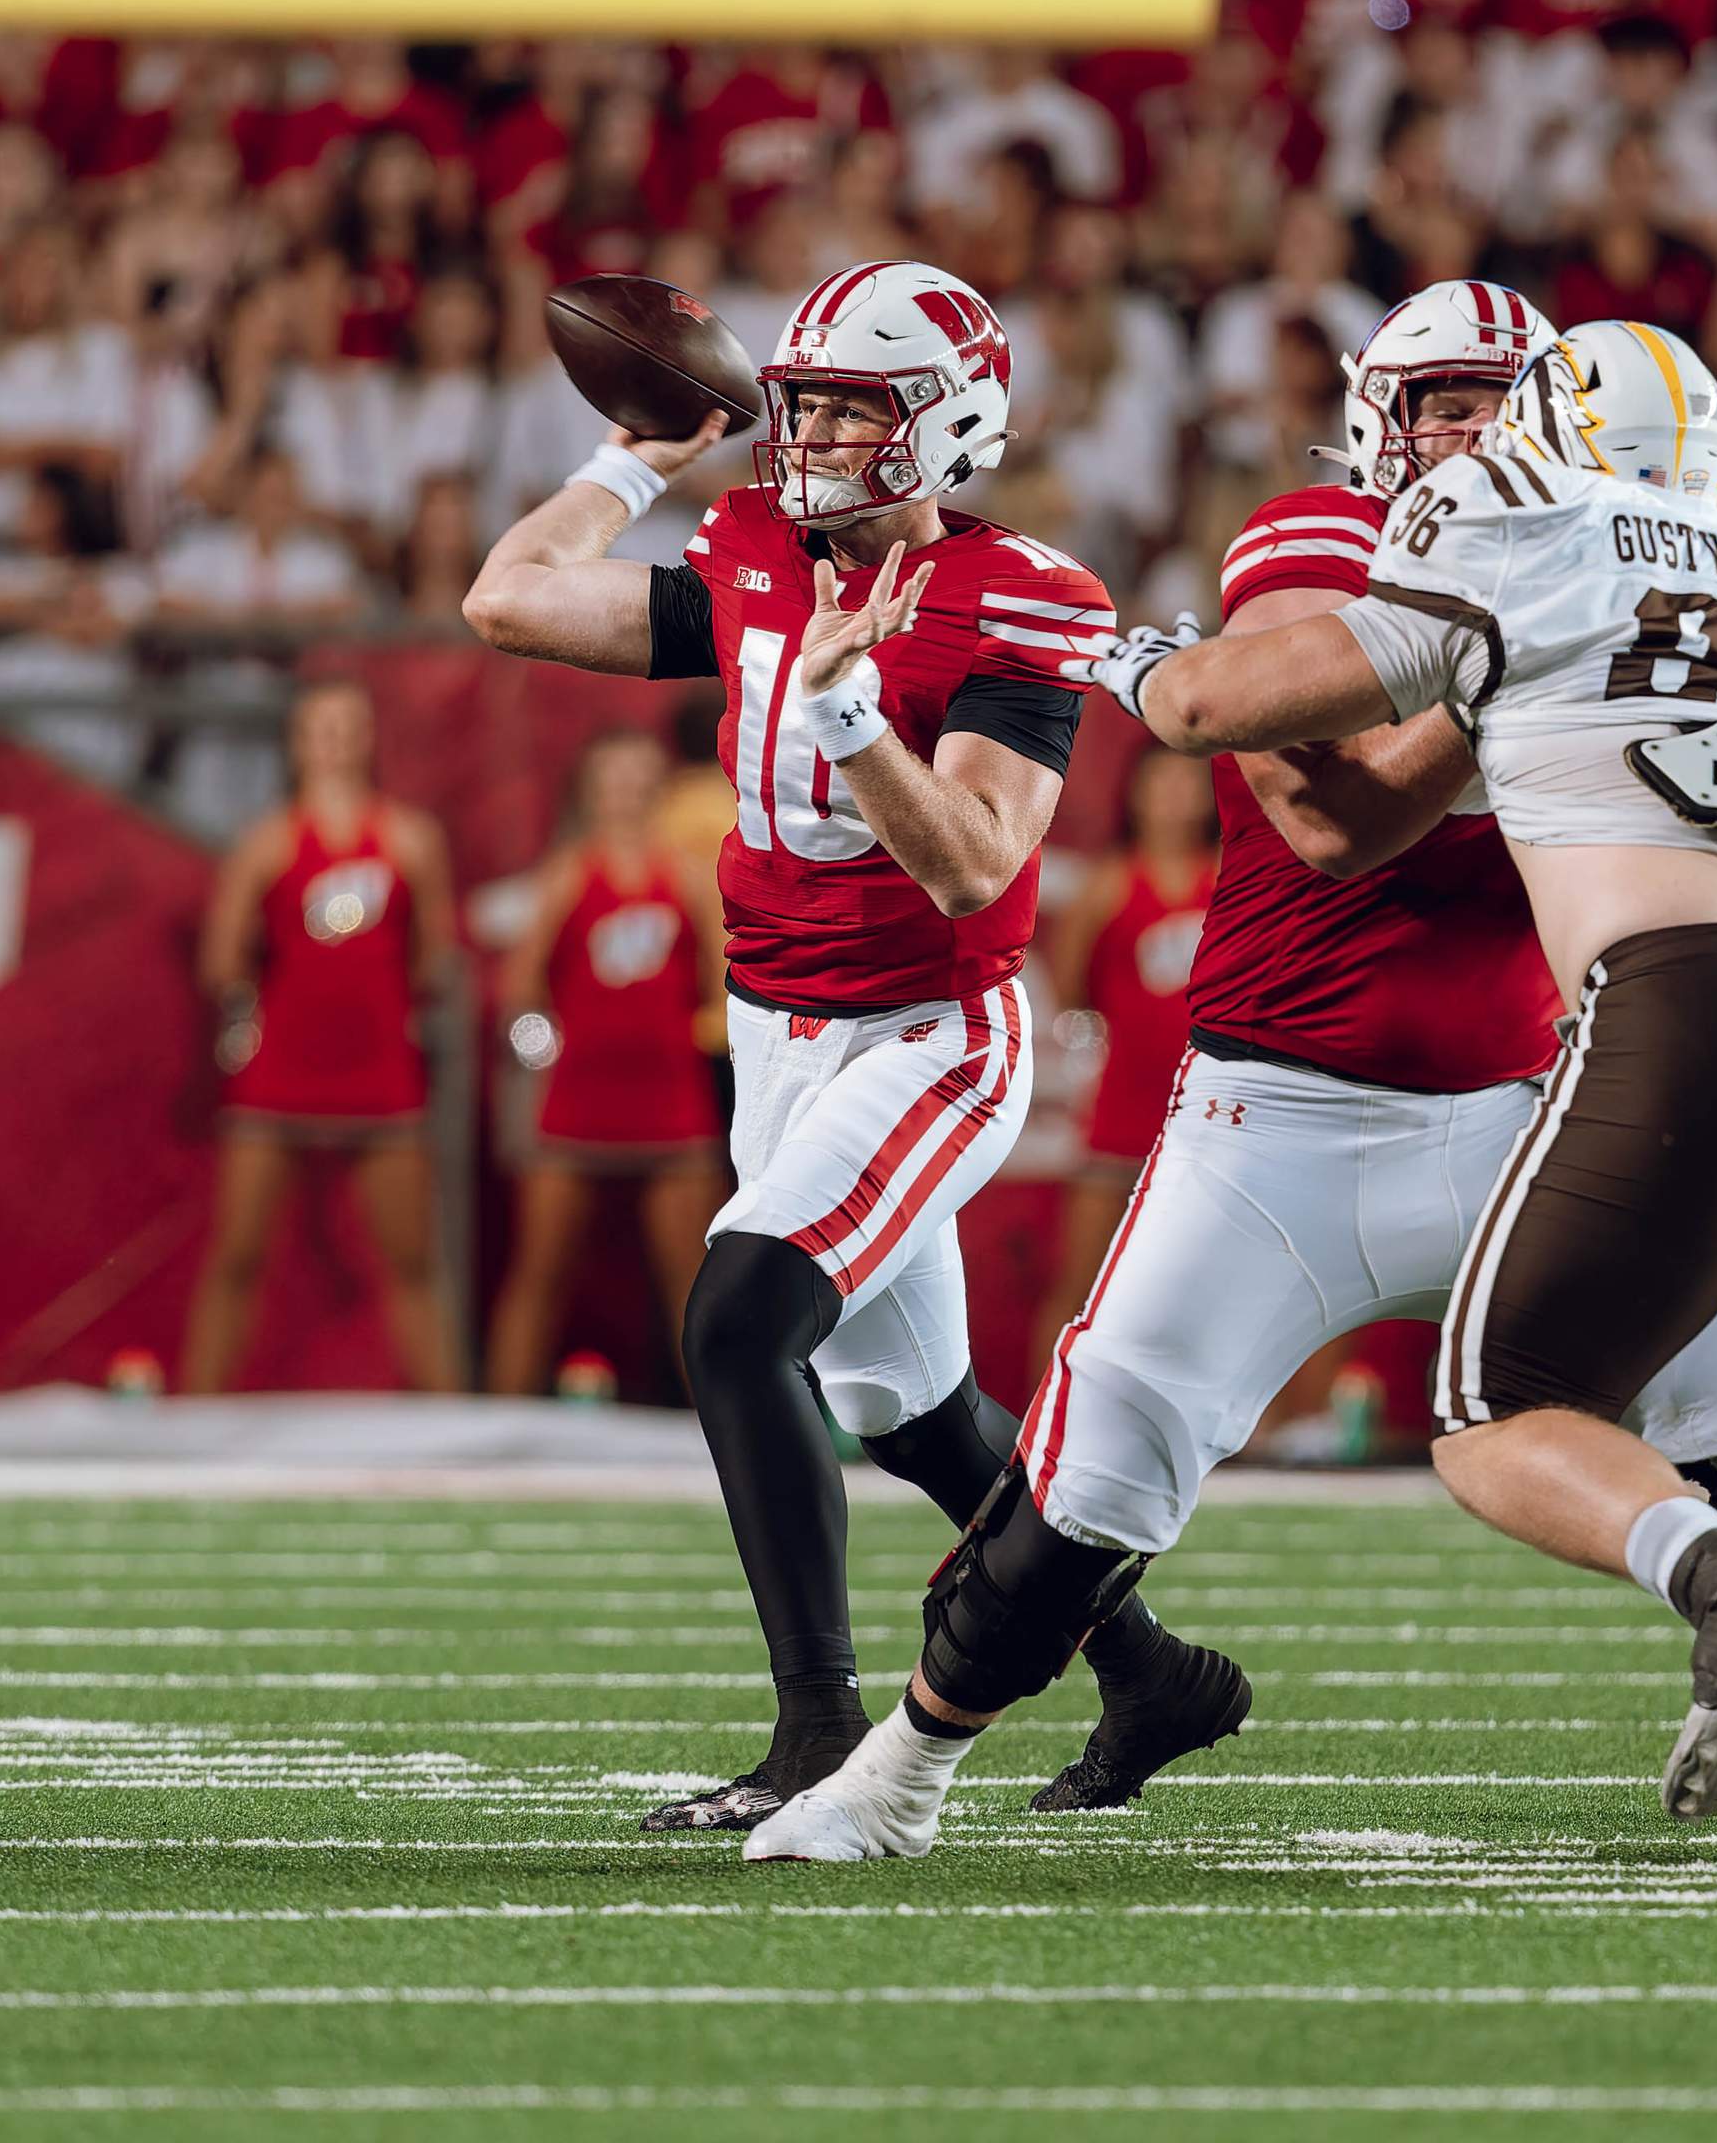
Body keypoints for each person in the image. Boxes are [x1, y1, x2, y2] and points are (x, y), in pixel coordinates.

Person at [742, 294, 1717, 1862]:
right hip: (1284, 1119)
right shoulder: (1336, 528)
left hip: (1543, 1091)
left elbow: (1264, 713)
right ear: (1376, 414)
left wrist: (1493, 656)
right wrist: (1502, 670)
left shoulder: (1551, 553)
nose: (1463, 429)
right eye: (1436, 397)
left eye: (1497, 401)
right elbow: (1333, 825)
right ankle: (896, 1775)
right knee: (1084, 1483)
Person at [463, 258, 1243, 1833]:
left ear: (943, 426)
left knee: (740, 1325)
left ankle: (820, 1730)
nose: (804, 429)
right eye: (800, 395)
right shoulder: (753, 544)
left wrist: (845, 714)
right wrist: (633, 459)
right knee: (912, 1413)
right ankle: (1148, 1667)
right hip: (775, 1033)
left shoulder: (1028, 594)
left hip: (929, 1034)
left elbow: (971, 862)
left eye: (844, 404)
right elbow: (510, 596)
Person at [180, 677, 462, 1396]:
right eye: (321, 727)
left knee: (413, 1262)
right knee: (236, 1256)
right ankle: (194, 1419)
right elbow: (220, 960)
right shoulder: (266, 843)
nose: (335, 740)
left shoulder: (411, 839)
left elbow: (437, 955)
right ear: (297, 742)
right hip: (281, 1071)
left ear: (369, 739)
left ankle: (449, 1420)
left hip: (380, 1073)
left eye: (348, 725)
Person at [485, 730, 727, 1397]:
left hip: (670, 1102)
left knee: (692, 1281)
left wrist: (700, 1047)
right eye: (611, 776)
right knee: (540, 1273)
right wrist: (549, 1054)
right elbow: (521, 988)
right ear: (588, 790)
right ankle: (499, 1422)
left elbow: (723, 987)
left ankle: (722, 1433)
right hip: (577, 1100)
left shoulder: (688, 876)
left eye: (637, 775)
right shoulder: (568, 874)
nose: (625, 791)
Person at [1032, 744, 1215, 1373]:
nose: (1173, 798)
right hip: (1123, 1107)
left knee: (1200, 1289)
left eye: (1187, 784)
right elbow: (1070, 988)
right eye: (1160, 784)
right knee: (1080, 1283)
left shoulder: (1227, 878)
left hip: (1209, 1117)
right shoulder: (1108, 885)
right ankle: (1039, 1421)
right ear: (1134, 795)